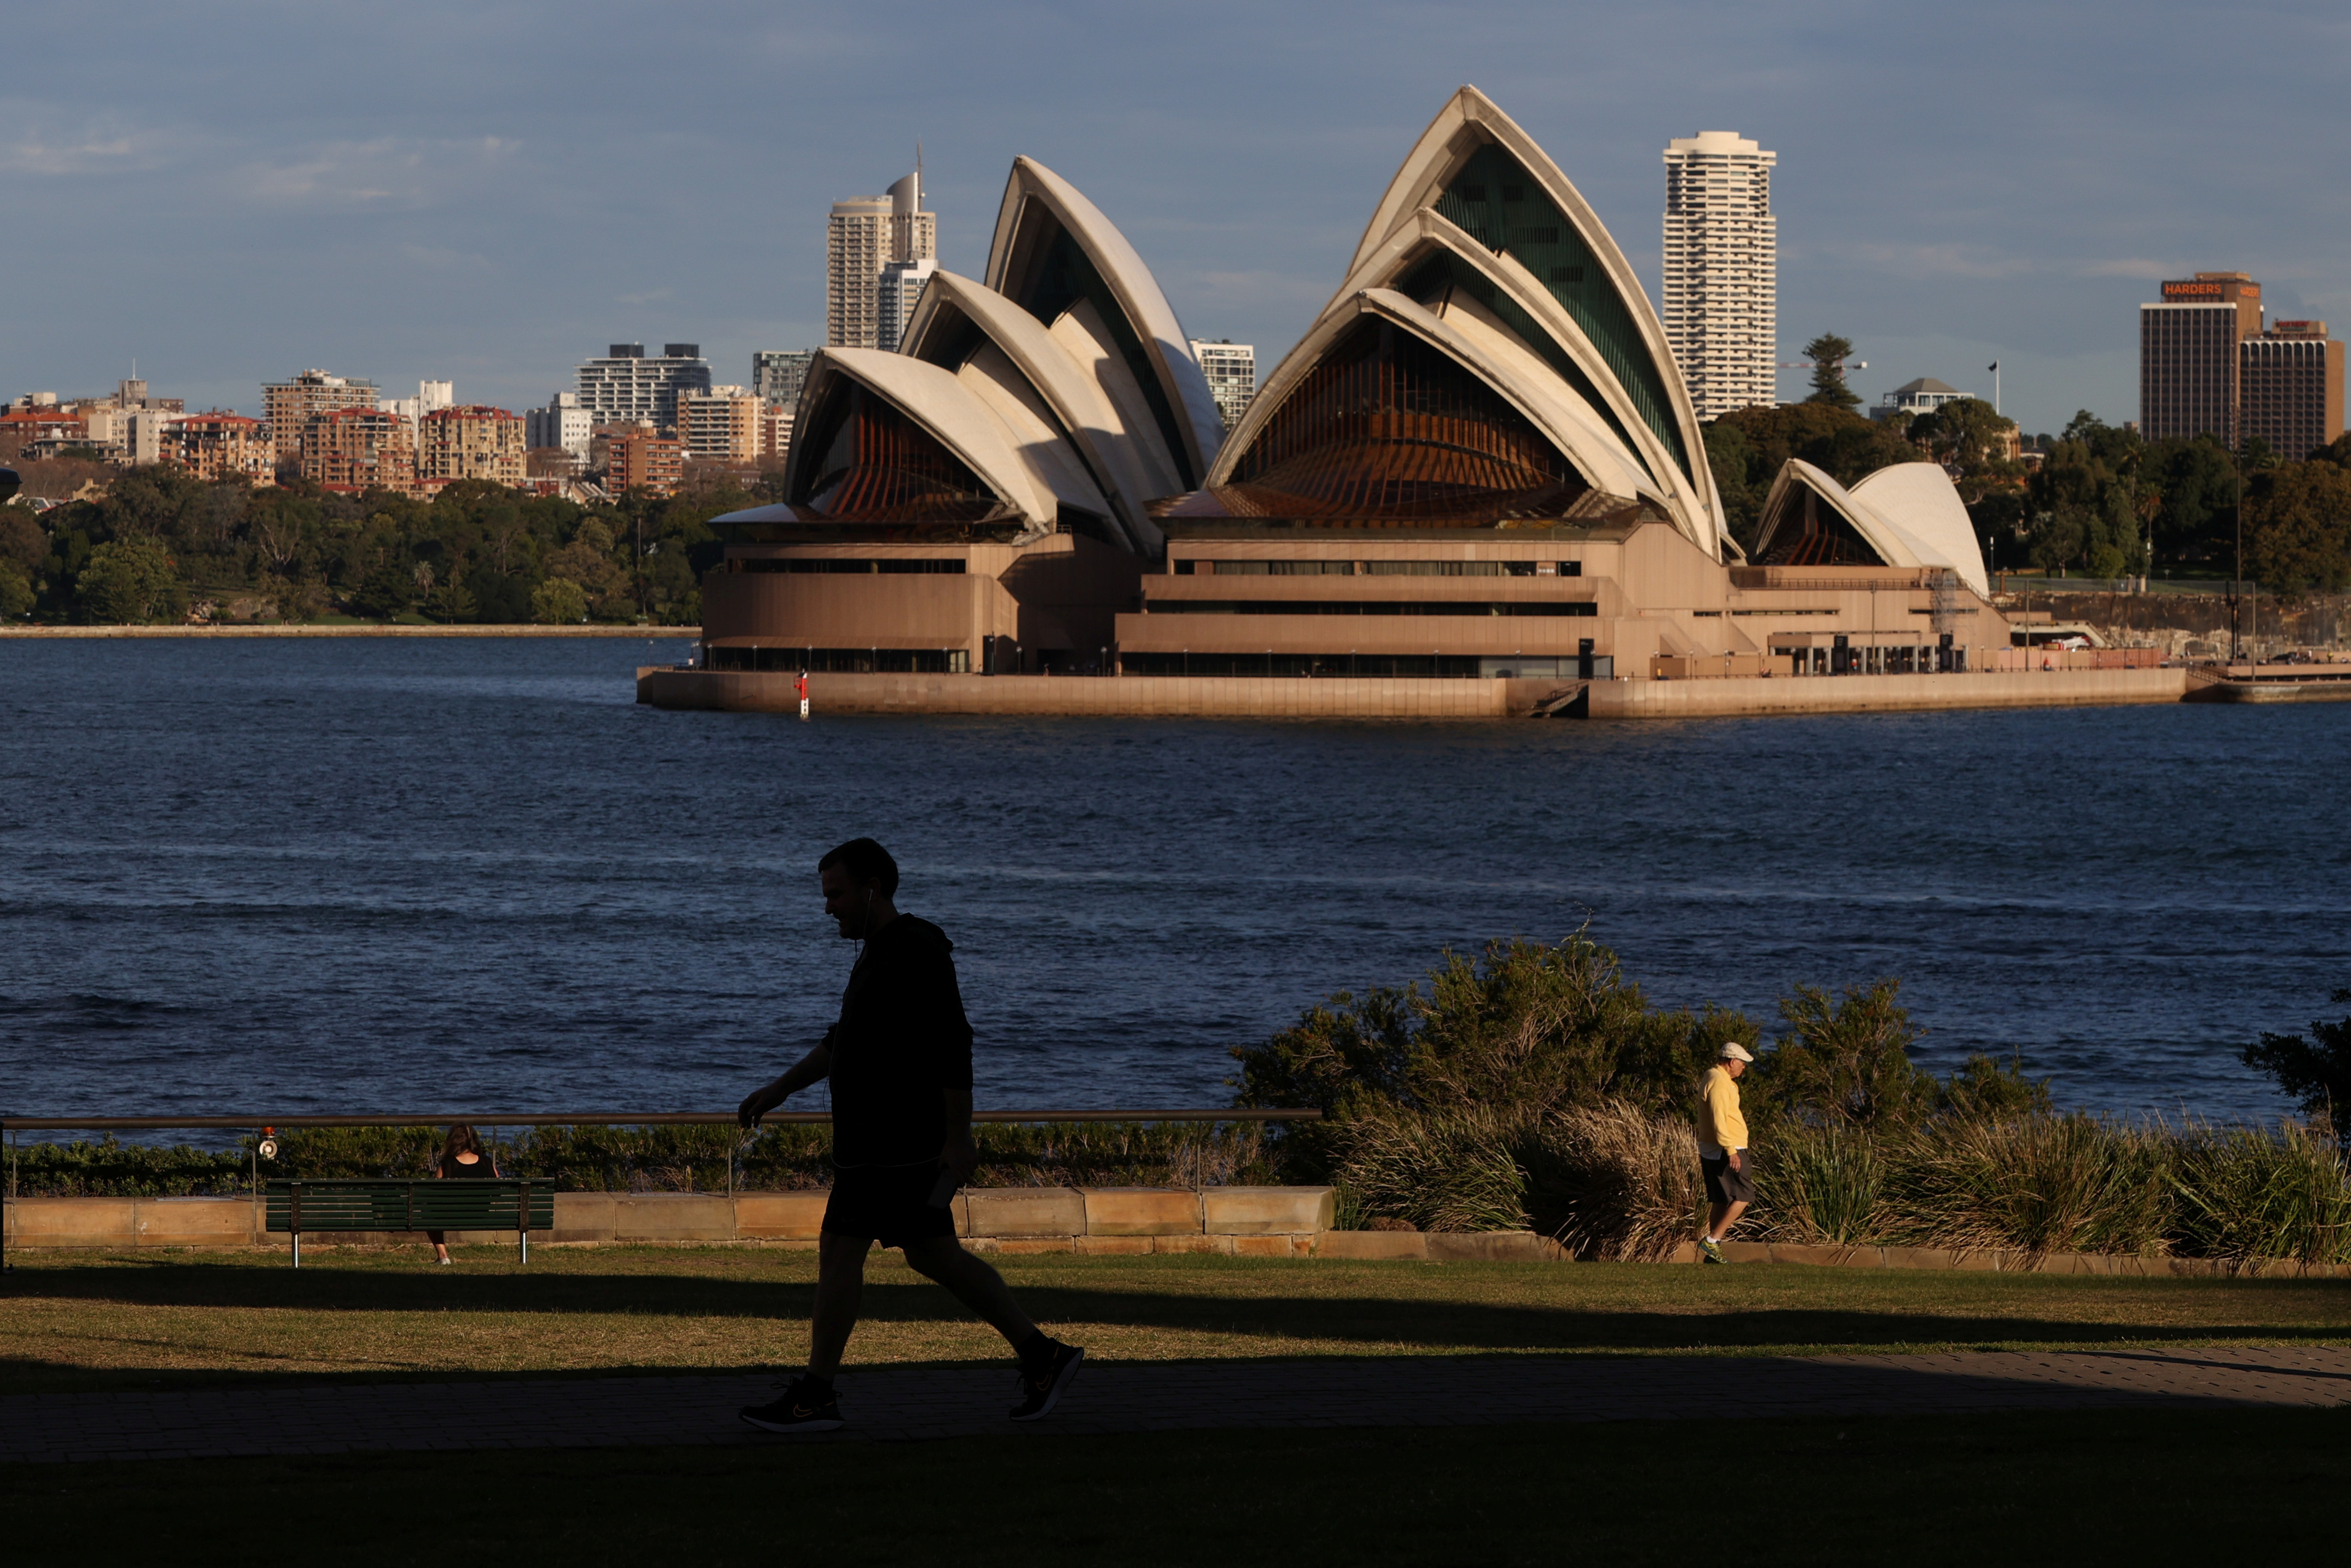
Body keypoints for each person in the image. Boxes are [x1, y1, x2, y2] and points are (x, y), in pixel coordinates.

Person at [734, 837, 1083, 1434]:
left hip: (893, 1148)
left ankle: (816, 1395)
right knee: (932, 1254)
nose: (829, 908)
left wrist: (959, 1138)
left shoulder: (917, 949)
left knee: (842, 1250)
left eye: (837, 893)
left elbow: (954, 1044)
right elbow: (841, 1040)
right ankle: (1043, 1355)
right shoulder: (878, 952)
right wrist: (779, 1089)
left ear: (873, 887)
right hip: (875, 1146)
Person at [1696, 1043, 1756, 1264]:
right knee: (1745, 1195)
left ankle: (1714, 1252)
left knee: (1720, 1199)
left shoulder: (1711, 1077)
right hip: (1729, 1146)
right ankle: (1712, 1241)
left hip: (1712, 1147)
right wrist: (1731, 1151)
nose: (1744, 1068)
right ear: (1732, 1061)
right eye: (1742, 1064)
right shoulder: (1720, 1082)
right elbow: (1719, 1119)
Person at [427, 1124, 498, 1265]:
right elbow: (498, 1187)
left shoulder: (447, 1164)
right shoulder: (486, 1162)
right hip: (482, 1214)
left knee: (429, 1214)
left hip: (453, 1215)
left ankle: (443, 1256)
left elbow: (432, 1192)